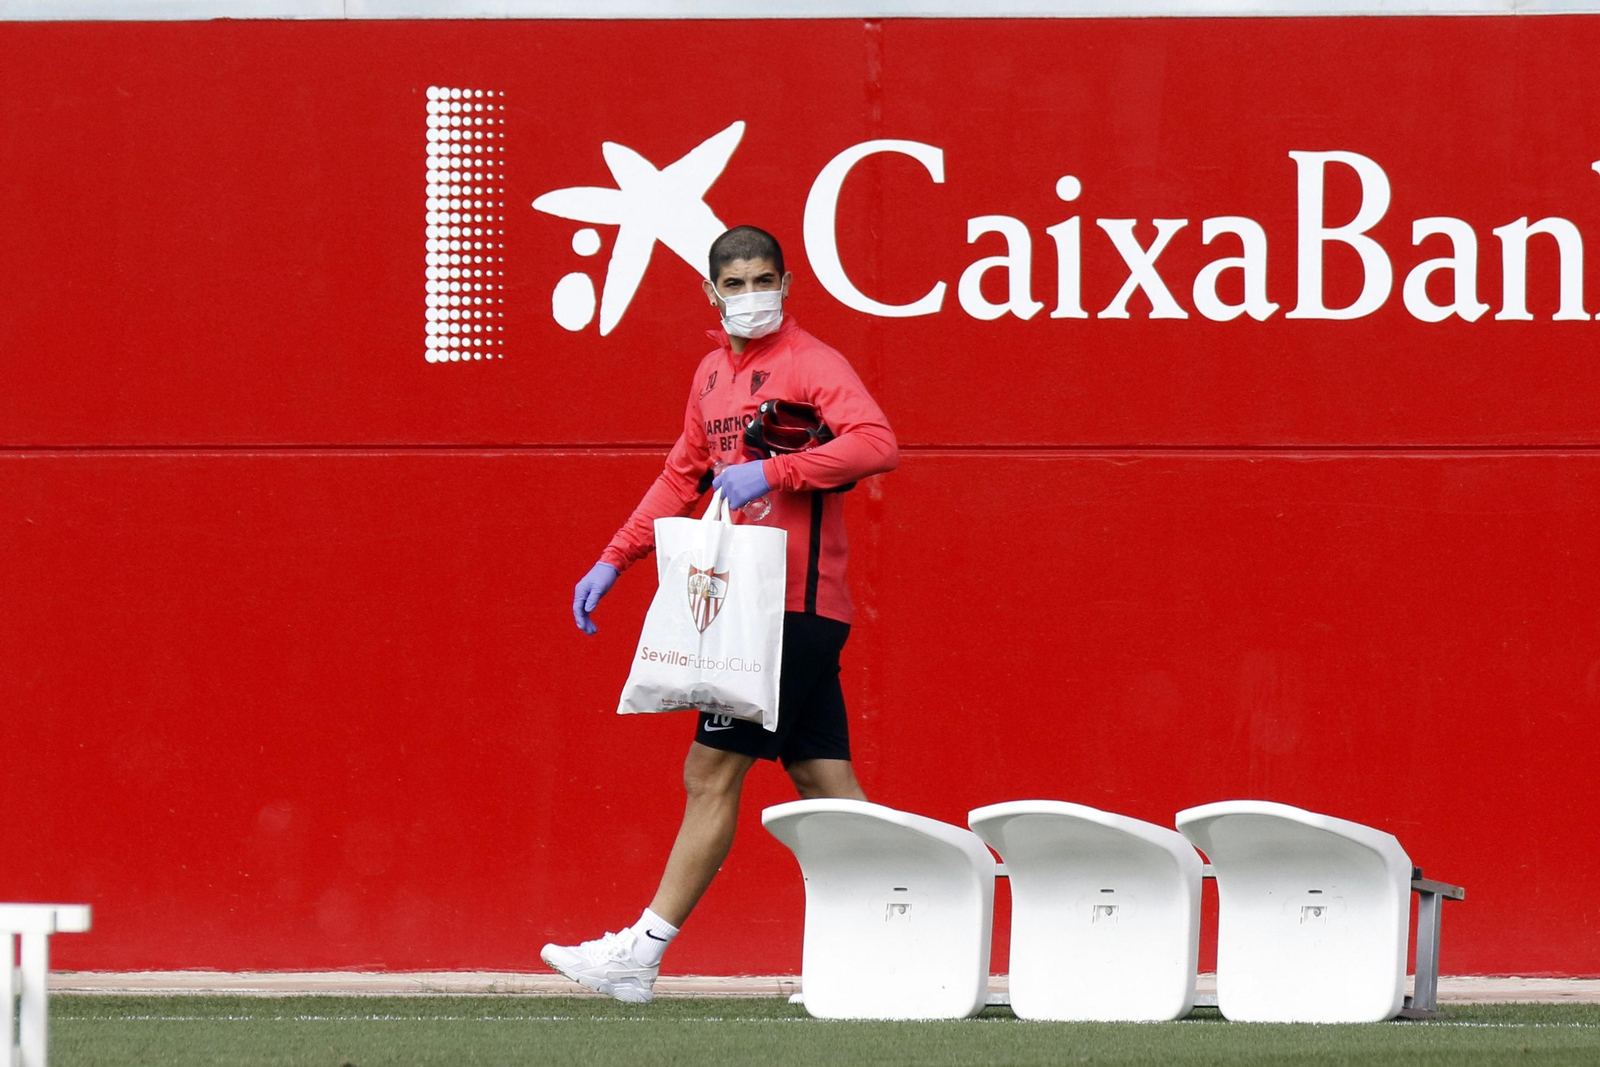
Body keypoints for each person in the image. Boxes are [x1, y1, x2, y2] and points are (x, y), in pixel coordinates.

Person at [541, 225, 899, 1003]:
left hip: (787, 607)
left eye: (761, 280)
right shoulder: (711, 375)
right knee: (824, 778)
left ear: (787, 281)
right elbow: (680, 476)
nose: (749, 297)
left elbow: (877, 442)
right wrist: (614, 557)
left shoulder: (813, 362)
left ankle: (641, 953)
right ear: (711, 292)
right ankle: (904, 931)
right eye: (733, 285)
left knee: (709, 771)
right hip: (752, 607)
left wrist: (778, 468)